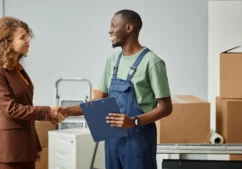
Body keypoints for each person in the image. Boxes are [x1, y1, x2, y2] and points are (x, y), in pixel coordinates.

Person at [58, 9, 173, 169]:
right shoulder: (112, 60)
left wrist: (134, 121)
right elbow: (98, 102)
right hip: (113, 141)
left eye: (113, 25)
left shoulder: (152, 62)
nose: (109, 30)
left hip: (139, 141)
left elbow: (166, 108)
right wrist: (67, 111)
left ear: (129, 28)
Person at [0, 16, 64, 169]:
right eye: (22, 37)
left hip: (25, 148)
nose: (28, 40)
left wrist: (35, 145)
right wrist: (47, 111)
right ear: (7, 42)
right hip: (8, 152)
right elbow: (11, 109)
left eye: (27, 36)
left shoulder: (17, 69)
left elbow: (26, 109)